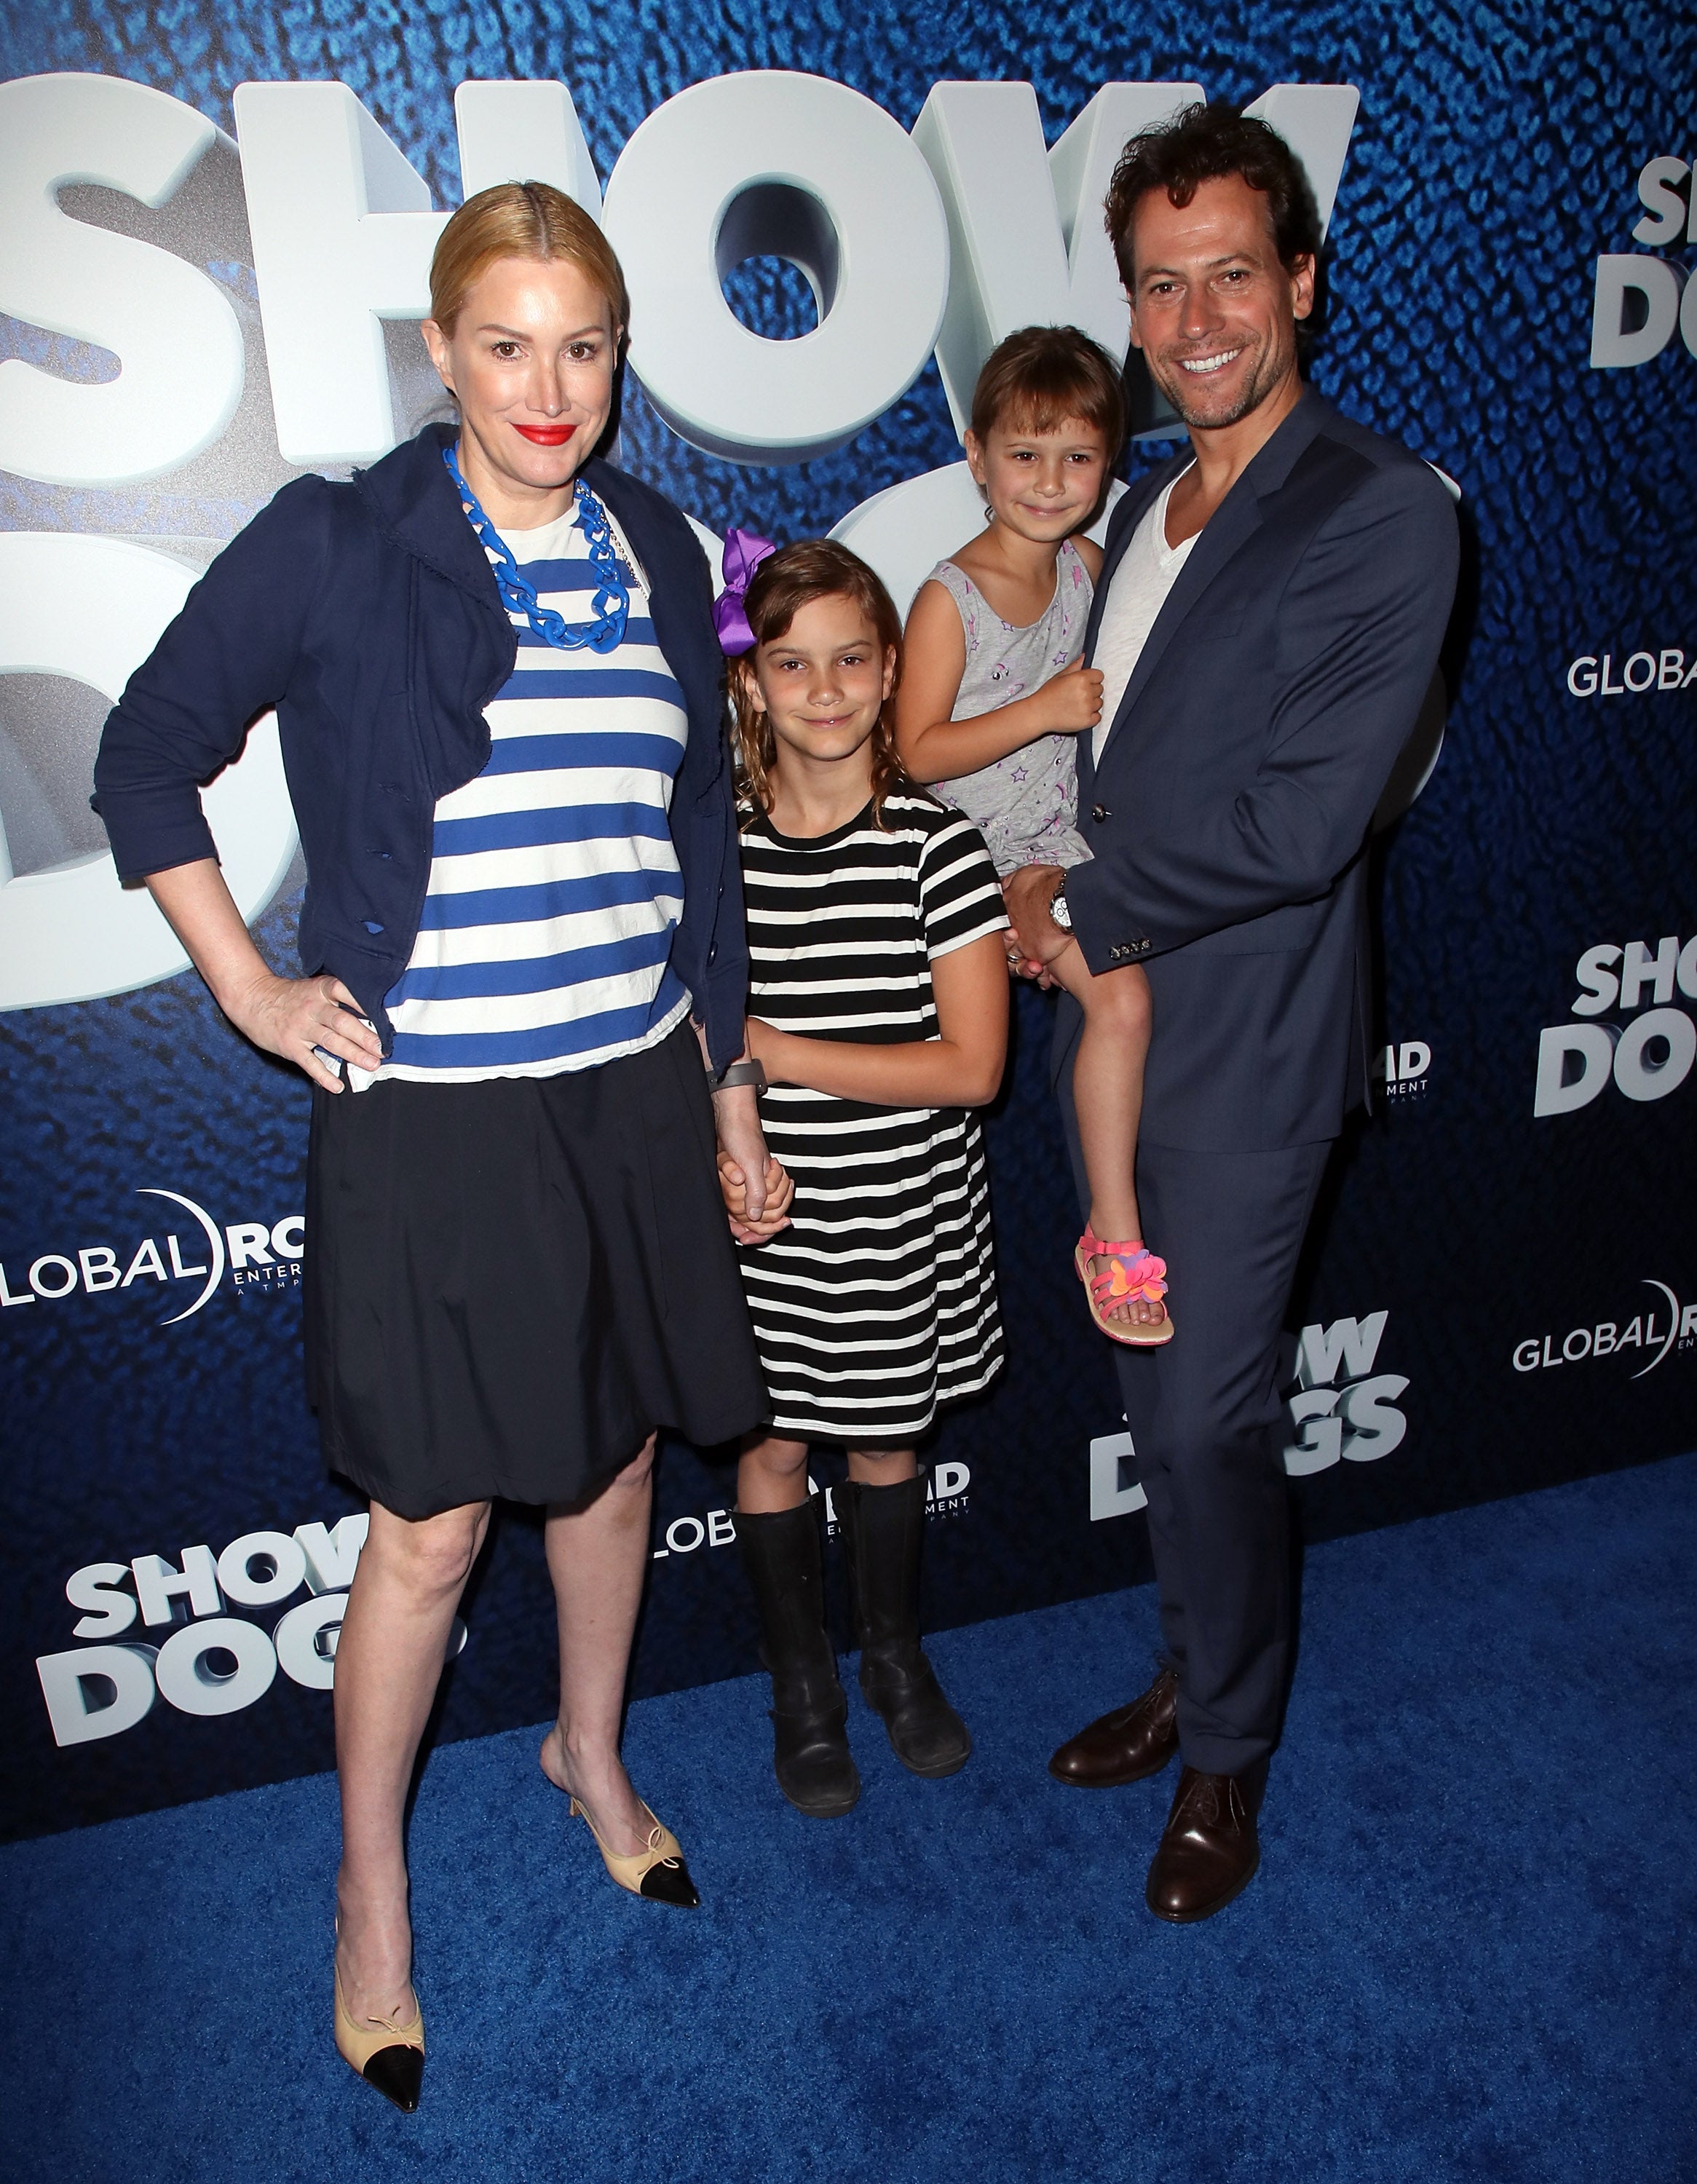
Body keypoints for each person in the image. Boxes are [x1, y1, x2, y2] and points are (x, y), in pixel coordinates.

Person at [92, 182, 788, 2110]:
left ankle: (589, 1751)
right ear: (440, 351)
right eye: (506, 344)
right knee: (429, 1524)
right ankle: (370, 1891)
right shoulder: (341, 538)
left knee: (623, 1461)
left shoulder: (660, 543)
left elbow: (698, 842)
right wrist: (248, 987)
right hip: (436, 1121)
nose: (546, 386)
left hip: (635, 1088)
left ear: (617, 357)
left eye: (583, 347)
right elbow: (142, 753)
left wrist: (722, 1078)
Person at [1005, 104, 1459, 1922]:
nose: (1194, 320)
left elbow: (1299, 823)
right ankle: (1195, 1663)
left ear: (1298, 281)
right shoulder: (1141, 503)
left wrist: (1075, 907)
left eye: (1229, 278)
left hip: (1245, 1043)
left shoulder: (1380, 508)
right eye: (1158, 286)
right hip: (1108, 1026)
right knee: (1152, 1381)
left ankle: (1227, 1753)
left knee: (1199, 1419)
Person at [713, 537, 1010, 1817]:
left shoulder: (939, 849)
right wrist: (725, 1143)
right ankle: (802, 1687)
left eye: (849, 660)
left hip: (895, 1215)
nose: (822, 690)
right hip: (759, 1218)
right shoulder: (714, 859)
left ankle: (891, 1655)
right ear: (750, 684)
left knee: (886, 1439)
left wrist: (778, 1046)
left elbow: (973, 1069)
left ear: (892, 671)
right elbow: (677, 1038)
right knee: (774, 1445)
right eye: (791, 664)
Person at [896, 326, 1170, 1348]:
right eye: (1025, 454)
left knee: (1152, 1009)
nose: (1050, 482)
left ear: (1109, 464)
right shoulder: (947, 598)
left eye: (1078, 457)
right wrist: (1044, 709)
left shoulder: (1095, 567)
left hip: (1083, 843)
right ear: (976, 456)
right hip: (987, 863)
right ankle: (1114, 1234)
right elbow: (916, 753)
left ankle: (1137, 1203)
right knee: (1127, 1002)